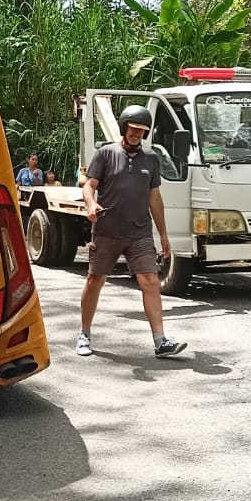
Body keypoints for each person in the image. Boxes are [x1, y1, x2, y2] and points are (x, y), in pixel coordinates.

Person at [76, 104, 186, 358]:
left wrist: (164, 235)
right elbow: (89, 186)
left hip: (140, 233)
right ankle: (84, 333)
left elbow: (155, 198)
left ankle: (160, 341)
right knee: (95, 281)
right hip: (107, 230)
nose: (137, 134)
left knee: (150, 281)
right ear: (124, 128)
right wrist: (91, 205)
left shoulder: (151, 159)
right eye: (133, 129)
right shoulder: (106, 154)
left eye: (142, 130)